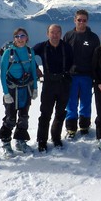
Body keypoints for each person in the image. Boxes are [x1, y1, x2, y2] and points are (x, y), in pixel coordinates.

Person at [0, 27, 38, 157]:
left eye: (22, 36)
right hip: (12, 89)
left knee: (24, 117)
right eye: (17, 36)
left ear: (27, 38)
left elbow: (33, 71)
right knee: (10, 117)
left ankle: (20, 141)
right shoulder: (8, 53)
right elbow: (2, 74)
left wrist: (35, 88)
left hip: (25, 89)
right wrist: (5, 93)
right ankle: (6, 143)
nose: (20, 39)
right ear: (14, 39)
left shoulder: (30, 52)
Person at [33, 24, 74, 153]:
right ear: (47, 34)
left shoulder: (66, 47)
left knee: (60, 113)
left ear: (61, 34)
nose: (55, 35)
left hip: (63, 83)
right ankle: (42, 141)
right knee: (45, 114)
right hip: (49, 84)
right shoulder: (42, 46)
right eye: (52, 32)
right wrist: (35, 68)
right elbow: (27, 55)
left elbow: (72, 62)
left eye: (57, 32)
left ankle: (56, 137)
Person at [63, 9, 101, 139]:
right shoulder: (68, 36)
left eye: (84, 20)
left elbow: (97, 58)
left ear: (87, 21)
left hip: (86, 75)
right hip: (71, 75)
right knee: (71, 102)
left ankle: (84, 126)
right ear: (75, 20)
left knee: (86, 101)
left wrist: (95, 76)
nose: (81, 22)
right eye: (79, 20)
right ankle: (71, 128)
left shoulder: (93, 37)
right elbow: (64, 56)